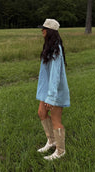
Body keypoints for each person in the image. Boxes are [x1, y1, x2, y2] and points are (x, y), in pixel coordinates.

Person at [36, 18, 70, 161]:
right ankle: (51, 141)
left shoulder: (56, 49)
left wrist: (51, 97)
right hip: (47, 90)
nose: (41, 30)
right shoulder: (48, 47)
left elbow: (55, 76)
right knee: (42, 113)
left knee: (56, 120)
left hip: (55, 91)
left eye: (44, 28)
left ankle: (60, 150)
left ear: (50, 31)